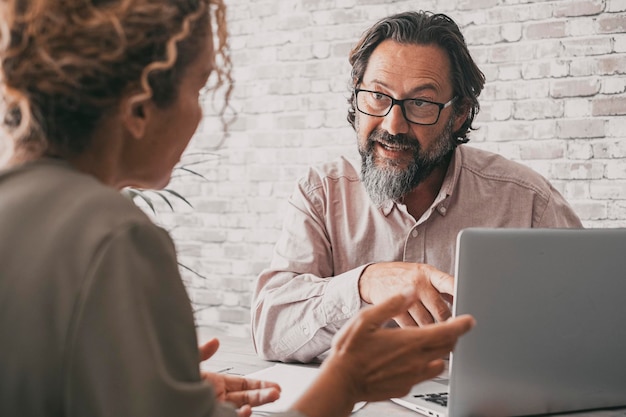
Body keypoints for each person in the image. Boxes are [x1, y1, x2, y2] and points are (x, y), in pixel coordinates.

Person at [0, 2, 475, 417]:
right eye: (202, 87)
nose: (203, 115)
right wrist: (347, 382)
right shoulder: (116, 239)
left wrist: (175, 400)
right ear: (141, 103)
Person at [251, 10, 583, 363]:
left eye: (420, 103)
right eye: (377, 96)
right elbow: (271, 332)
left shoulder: (527, 200)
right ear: (356, 97)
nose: (393, 125)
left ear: (458, 114)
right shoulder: (322, 192)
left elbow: (592, 320)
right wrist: (365, 283)